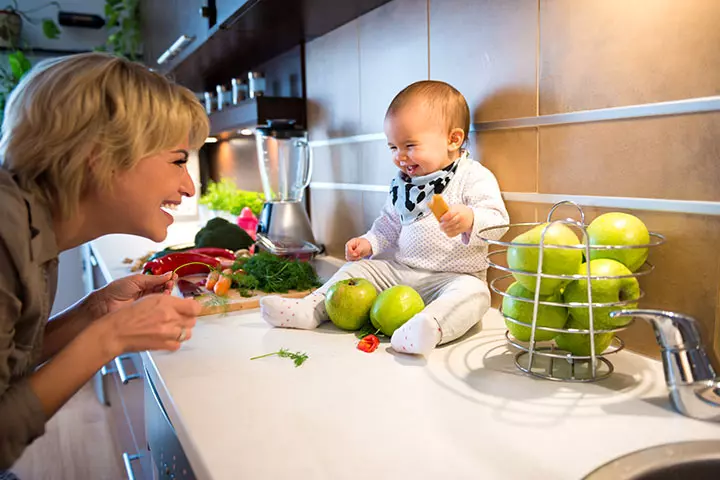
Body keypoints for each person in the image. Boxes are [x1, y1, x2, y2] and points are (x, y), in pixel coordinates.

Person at [0, 53, 207, 471]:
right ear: (101, 155)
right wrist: (110, 337)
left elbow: (10, 362)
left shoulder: (32, 229)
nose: (188, 186)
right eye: (178, 160)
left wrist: (93, 312)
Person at [260, 80, 509, 355]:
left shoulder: (472, 175)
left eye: (410, 145)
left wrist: (471, 218)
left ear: (453, 139)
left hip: (453, 278)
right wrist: (369, 242)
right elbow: (389, 224)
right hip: (400, 273)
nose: (400, 157)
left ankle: (428, 327)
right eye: (393, 147)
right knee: (358, 270)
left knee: (476, 294)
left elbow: (498, 220)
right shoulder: (403, 183)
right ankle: (311, 308)